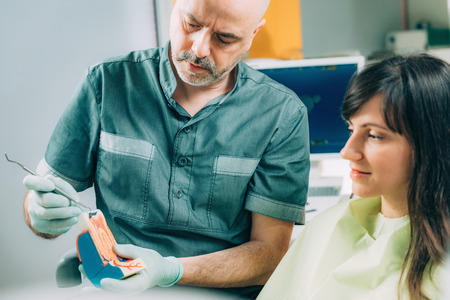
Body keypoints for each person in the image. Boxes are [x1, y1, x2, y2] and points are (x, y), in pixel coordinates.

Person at [22, 0, 311, 298]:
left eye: (225, 38)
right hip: (120, 290)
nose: (198, 49)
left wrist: (169, 271)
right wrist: (40, 211)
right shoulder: (105, 84)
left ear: (254, 33)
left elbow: (269, 254)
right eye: (191, 24)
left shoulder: (281, 114)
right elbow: (46, 208)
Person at [257, 53, 450, 300]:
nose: (347, 151)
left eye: (375, 135)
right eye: (351, 129)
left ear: (432, 141)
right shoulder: (327, 226)